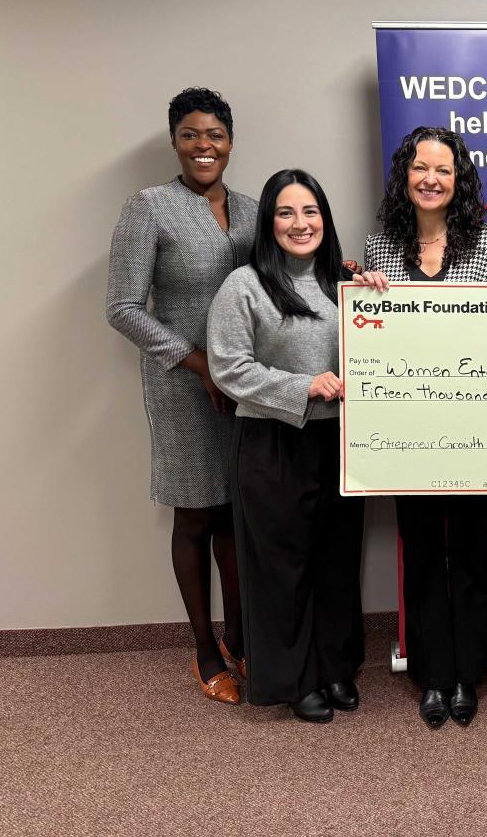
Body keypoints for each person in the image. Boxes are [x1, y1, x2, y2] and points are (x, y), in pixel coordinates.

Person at [353, 126, 487, 729]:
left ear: (459, 180)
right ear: (405, 175)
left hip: (474, 423)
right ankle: (432, 674)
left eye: (443, 170)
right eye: (421, 168)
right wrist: (365, 297)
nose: (431, 179)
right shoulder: (382, 247)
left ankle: (467, 671)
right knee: (420, 551)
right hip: (407, 431)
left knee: (470, 549)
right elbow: (374, 332)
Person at [106, 88, 257, 705]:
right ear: (175, 141)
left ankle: (242, 636)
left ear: (230, 141)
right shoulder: (150, 207)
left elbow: (283, 277)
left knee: (235, 512)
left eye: (215, 135)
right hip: (184, 387)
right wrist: (200, 366)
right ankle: (203, 647)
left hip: (248, 383)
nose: (204, 147)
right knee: (196, 512)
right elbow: (121, 308)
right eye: (191, 135)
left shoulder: (252, 210)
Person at [205, 169, 363, 723]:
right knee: (283, 567)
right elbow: (228, 368)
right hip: (274, 442)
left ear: (326, 218)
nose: (301, 224)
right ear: (268, 223)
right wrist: (303, 385)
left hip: (340, 441)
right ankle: (294, 681)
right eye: (286, 213)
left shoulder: (344, 283)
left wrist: (382, 305)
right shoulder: (245, 285)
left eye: (311, 211)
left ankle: (334, 667)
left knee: (335, 562)